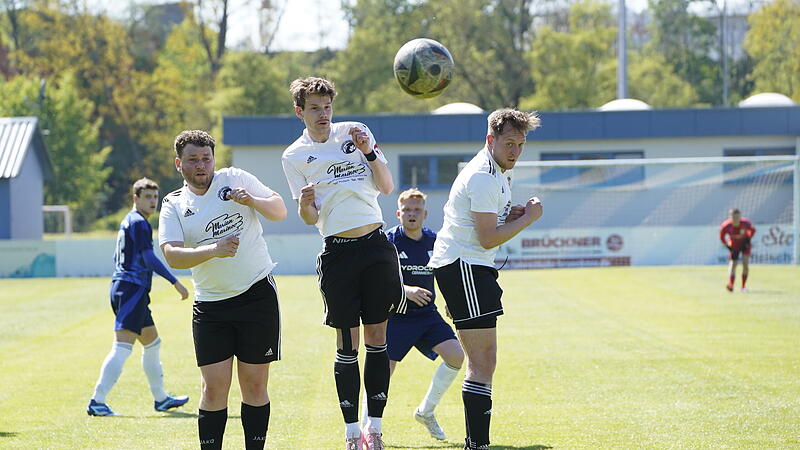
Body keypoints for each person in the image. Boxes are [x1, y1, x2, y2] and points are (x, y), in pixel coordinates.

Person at [281, 77, 405, 450]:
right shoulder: (294, 156)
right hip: (337, 253)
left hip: (376, 248)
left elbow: (386, 187)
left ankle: (375, 427)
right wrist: (305, 205)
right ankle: (351, 432)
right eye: (315, 108)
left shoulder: (356, 132)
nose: (323, 114)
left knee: (378, 338)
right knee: (347, 343)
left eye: (327, 107)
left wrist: (368, 152)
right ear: (300, 111)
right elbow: (308, 217)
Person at [158, 130, 287, 450]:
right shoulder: (174, 204)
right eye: (193, 160)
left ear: (214, 159)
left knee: (255, 386)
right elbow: (172, 255)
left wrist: (251, 200)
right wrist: (213, 250)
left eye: (206, 158)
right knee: (213, 390)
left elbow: (279, 210)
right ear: (179, 163)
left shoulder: (235, 178)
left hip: (256, 295)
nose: (201, 165)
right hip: (211, 306)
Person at [428, 108, 543, 450]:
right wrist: (530, 218)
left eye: (520, 144)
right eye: (509, 143)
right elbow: (488, 238)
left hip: (469, 266)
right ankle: (477, 444)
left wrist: (513, 214)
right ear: (490, 140)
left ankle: (477, 442)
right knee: (482, 361)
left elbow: (488, 225)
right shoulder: (482, 175)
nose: (515, 152)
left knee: (484, 360)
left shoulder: (497, 172)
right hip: (465, 265)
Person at [361, 188, 464, 440]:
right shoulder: (388, 241)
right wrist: (404, 290)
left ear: (425, 214)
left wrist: (452, 301)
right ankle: (369, 428)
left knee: (457, 356)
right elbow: (373, 277)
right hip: (396, 317)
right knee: (382, 372)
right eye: (407, 210)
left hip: (428, 316)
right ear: (398, 213)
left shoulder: (434, 240)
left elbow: (445, 273)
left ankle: (425, 412)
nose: (412, 214)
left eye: (417, 210)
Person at [87, 177, 190, 417]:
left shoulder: (128, 221)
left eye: (155, 197)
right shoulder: (140, 223)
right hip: (131, 290)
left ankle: (161, 398)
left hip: (128, 288)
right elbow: (148, 258)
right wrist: (175, 281)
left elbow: (117, 258)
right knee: (122, 347)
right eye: (148, 197)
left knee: (153, 343)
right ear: (136, 198)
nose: (153, 202)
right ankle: (97, 401)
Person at [719, 208, 756, 292]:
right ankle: (731, 285)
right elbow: (721, 238)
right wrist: (727, 245)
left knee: (745, 264)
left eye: (737, 217)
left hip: (744, 244)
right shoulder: (726, 226)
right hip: (734, 245)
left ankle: (743, 287)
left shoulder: (746, 223)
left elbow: (753, 230)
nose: (736, 219)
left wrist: (748, 238)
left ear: (740, 217)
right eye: (734, 217)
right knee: (733, 264)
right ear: (730, 217)